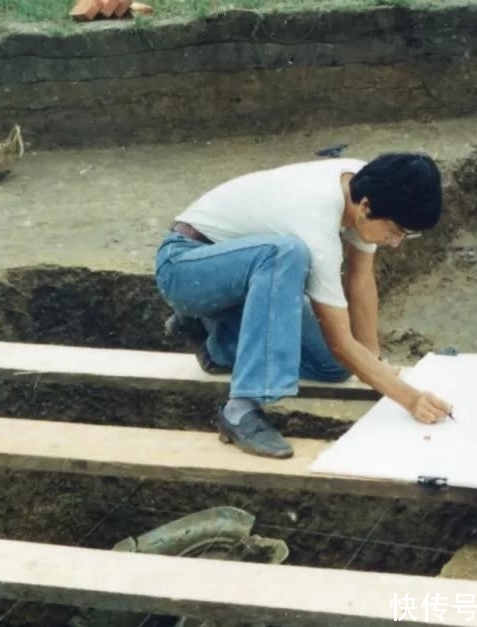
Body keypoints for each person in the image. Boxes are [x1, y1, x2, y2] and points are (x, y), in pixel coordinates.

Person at [154, 152, 454, 459]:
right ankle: (241, 408)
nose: (396, 241)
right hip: (184, 269)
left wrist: (374, 362)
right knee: (286, 254)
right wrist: (410, 399)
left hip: (239, 280)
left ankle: (211, 337)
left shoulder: (370, 185)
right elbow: (340, 342)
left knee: (334, 366)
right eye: (396, 231)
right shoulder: (317, 219)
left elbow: (360, 279)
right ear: (366, 207)